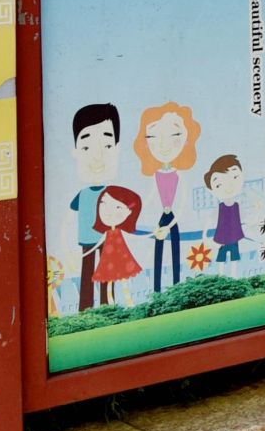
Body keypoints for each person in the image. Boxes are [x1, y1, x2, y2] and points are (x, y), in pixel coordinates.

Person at [134, 101, 201, 294]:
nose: (164, 145)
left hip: (173, 218)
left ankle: (177, 287)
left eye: (174, 135)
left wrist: (170, 224)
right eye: (153, 137)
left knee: (175, 251)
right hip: (160, 218)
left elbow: (181, 203)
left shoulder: (179, 175)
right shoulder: (155, 175)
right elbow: (150, 198)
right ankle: (156, 290)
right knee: (158, 250)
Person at [66, 103, 122, 312]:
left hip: (107, 238)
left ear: (117, 148)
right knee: (87, 272)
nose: (97, 156)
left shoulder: (111, 193)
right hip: (87, 239)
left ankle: (108, 306)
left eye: (106, 146)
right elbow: (68, 219)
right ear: (76, 152)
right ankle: (85, 308)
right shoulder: (82, 194)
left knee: (108, 272)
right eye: (86, 147)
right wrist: (66, 247)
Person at [91, 184, 145, 306]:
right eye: (103, 203)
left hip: (122, 257)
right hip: (109, 259)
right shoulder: (107, 233)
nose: (108, 211)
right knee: (110, 281)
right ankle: (112, 305)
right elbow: (98, 243)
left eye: (118, 207)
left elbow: (136, 237)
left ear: (129, 212)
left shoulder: (121, 232)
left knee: (124, 281)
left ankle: (129, 303)